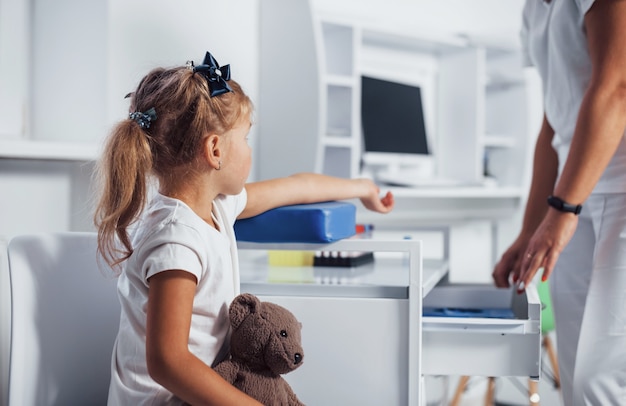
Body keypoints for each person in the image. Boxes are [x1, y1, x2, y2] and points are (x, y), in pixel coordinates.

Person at [94, 51, 394, 406]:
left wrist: (363, 188)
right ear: (215, 150)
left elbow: (297, 186)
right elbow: (167, 363)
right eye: (246, 138)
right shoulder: (176, 239)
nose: (250, 151)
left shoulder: (217, 207)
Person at [492, 1, 626, 404]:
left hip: (616, 192)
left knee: (600, 379)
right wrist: (530, 228)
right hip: (575, 195)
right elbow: (554, 120)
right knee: (572, 376)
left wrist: (562, 209)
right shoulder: (534, 8)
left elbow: (616, 87)